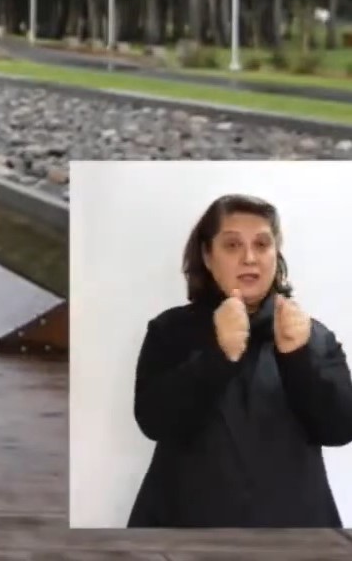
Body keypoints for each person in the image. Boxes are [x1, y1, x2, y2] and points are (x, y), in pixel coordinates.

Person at [127, 192, 352, 528]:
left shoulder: (313, 336)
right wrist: (219, 356)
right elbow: (154, 422)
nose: (250, 257)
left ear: (276, 255)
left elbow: (340, 429)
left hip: (295, 532)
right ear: (207, 255)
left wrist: (298, 357)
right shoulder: (170, 330)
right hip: (183, 526)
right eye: (232, 246)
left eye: (262, 245)